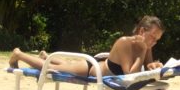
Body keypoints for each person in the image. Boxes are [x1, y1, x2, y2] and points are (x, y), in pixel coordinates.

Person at [9, 16, 165, 76]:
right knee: (52, 68)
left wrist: (153, 64)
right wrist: (143, 50)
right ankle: (19, 54)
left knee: (68, 65)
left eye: (157, 39)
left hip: (98, 64)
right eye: (153, 37)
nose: (154, 42)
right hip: (91, 69)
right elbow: (130, 75)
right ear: (142, 30)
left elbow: (147, 65)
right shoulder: (125, 42)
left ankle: (46, 56)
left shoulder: (147, 46)